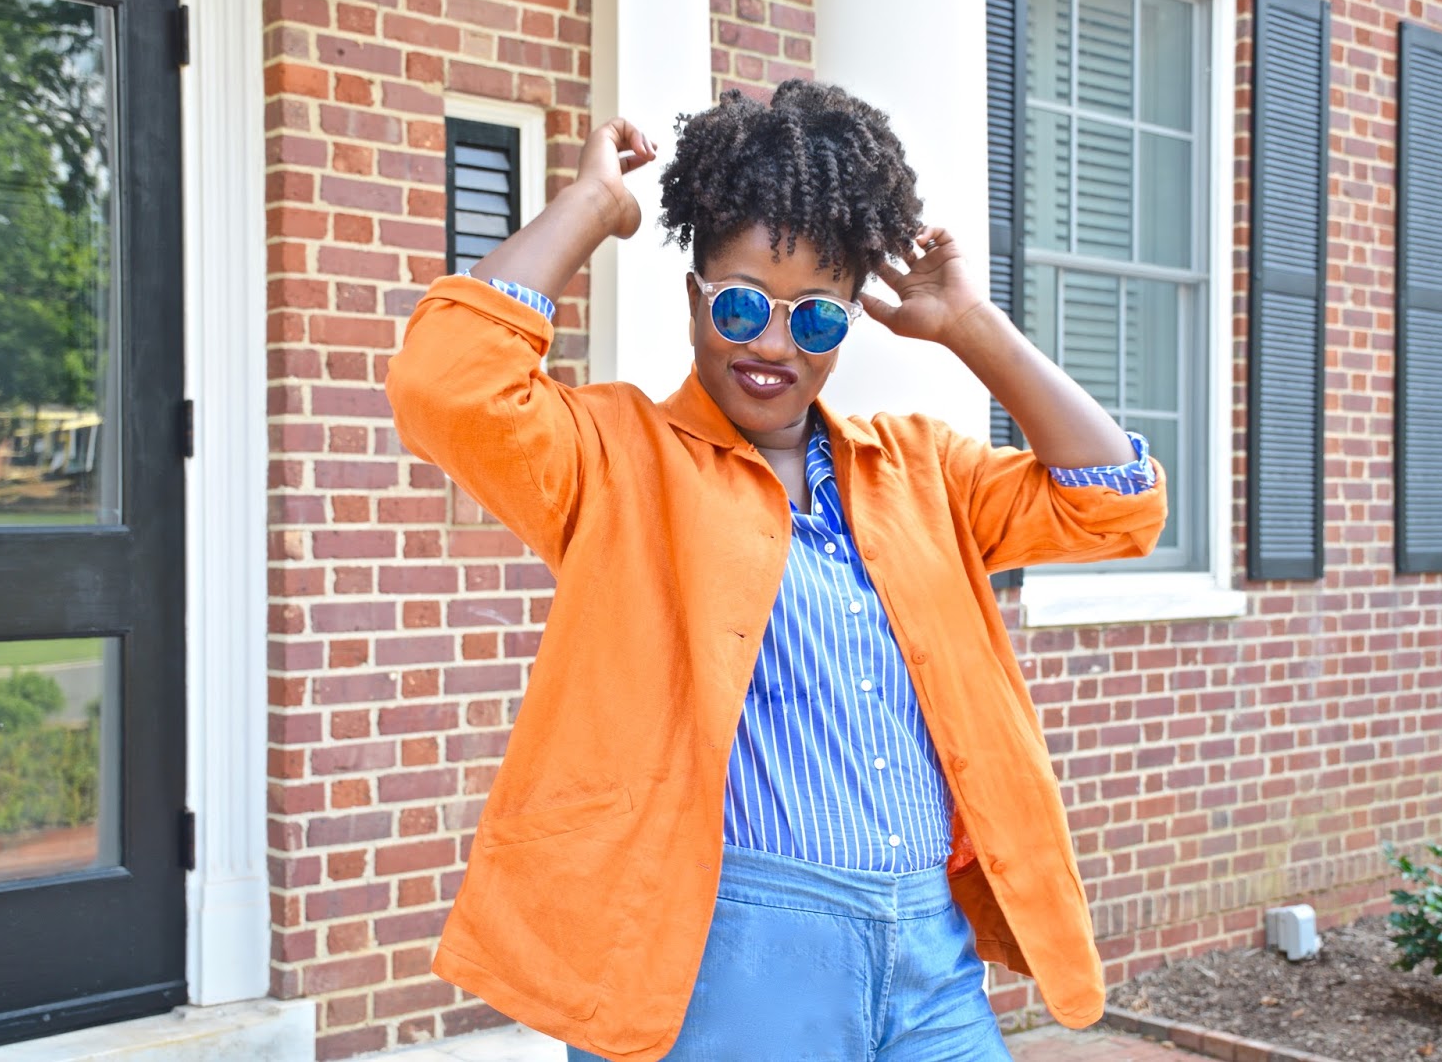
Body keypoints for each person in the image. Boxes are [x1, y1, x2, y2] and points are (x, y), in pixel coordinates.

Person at [387, 80, 1167, 1062]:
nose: (771, 344)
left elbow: (1112, 502)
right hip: (727, 965)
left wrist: (972, 324)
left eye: (816, 319)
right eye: (742, 304)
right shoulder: (618, 456)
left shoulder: (919, 470)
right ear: (695, 297)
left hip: (928, 963)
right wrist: (591, 205)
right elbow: (445, 384)